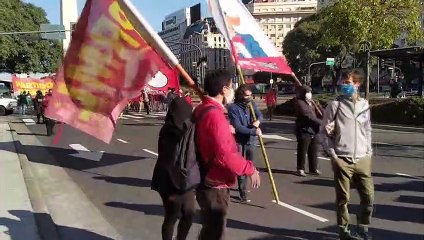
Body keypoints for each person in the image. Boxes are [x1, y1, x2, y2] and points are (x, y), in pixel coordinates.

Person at [194, 70, 261, 240]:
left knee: (209, 229)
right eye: (232, 87)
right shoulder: (214, 115)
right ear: (224, 89)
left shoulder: (202, 109)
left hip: (203, 176)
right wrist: (250, 169)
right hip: (214, 182)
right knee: (215, 232)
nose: (233, 90)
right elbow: (225, 154)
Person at [320, 70, 373, 240]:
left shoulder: (364, 104)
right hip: (342, 158)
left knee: (368, 197)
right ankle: (344, 231)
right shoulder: (335, 105)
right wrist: (333, 155)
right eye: (344, 82)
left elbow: (367, 129)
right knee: (343, 198)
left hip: (362, 159)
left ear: (357, 84)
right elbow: (323, 132)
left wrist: (369, 151)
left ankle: (363, 226)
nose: (345, 85)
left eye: (348, 82)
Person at [151, 97, 196, 240]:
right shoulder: (170, 131)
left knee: (189, 213)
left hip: (183, 177)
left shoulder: (185, 128)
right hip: (168, 180)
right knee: (172, 215)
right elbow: (170, 159)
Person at [228, 84, 263, 203]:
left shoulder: (251, 104)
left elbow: (259, 114)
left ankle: (244, 186)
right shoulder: (233, 108)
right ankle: (242, 191)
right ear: (240, 95)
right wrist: (253, 131)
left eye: (250, 95)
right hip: (239, 140)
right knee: (241, 166)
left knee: (250, 164)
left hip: (251, 140)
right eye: (246, 95)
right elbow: (238, 127)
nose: (249, 97)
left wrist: (258, 121)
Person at [295, 86, 322, 177]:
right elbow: (308, 116)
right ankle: (300, 168)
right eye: (307, 92)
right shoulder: (300, 103)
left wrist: (319, 107)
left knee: (314, 150)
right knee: (303, 150)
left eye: (310, 92)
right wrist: (322, 123)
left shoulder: (312, 103)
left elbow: (320, 113)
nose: (309, 94)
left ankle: (313, 168)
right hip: (304, 129)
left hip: (314, 130)